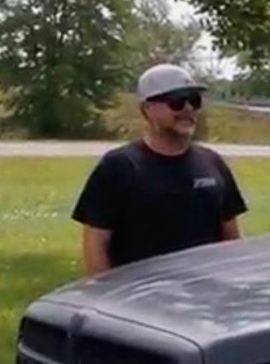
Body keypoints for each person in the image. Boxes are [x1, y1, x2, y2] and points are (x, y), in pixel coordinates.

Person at [72, 63, 246, 275]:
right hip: (141, 302)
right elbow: (96, 241)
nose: (188, 109)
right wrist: (102, 295)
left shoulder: (212, 163)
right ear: (147, 109)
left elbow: (230, 238)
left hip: (207, 297)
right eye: (177, 102)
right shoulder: (119, 166)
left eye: (194, 100)